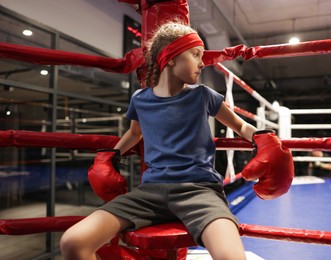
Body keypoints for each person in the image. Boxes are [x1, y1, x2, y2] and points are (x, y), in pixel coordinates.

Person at [60, 21, 294, 260]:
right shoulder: (140, 99)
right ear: (170, 57)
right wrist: (109, 157)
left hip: (200, 192)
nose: (202, 63)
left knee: (231, 257)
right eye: (195, 55)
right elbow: (134, 133)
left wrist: (263, 138)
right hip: (149, 193)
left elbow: (240, 125)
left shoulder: (203, 95)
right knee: (73, 243)